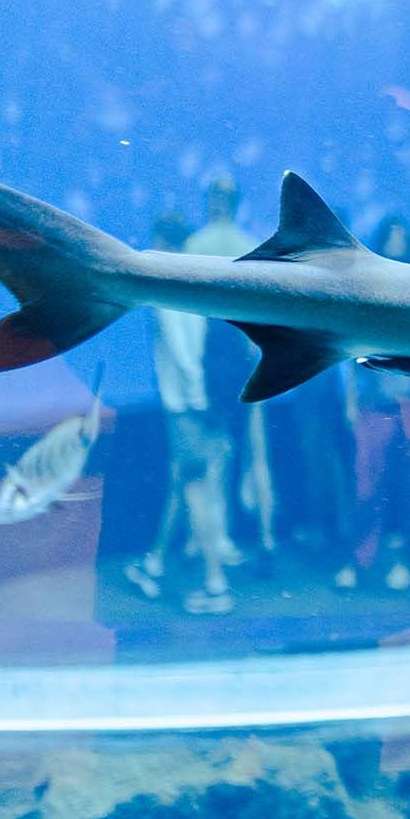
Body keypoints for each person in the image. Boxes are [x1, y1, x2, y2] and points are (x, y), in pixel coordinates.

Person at [129, 212, 240, 615]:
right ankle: (155, 563)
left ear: (162, 240)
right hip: (207, 401)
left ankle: (215, 584)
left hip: (188, 405)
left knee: (196, 488)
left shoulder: (168, 287)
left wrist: (197, 402)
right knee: (187, 479)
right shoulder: (197, 279)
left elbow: (183, 354)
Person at [340, 215, 410, 592]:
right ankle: (362, 560)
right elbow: (353, 349)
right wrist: (351, 401)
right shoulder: (365, 289)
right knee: (367, 486)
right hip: (377, 404)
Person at [183, 174, 278, 558]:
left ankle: (210, 539)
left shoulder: (194, 245)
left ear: (211, 201)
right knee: (258, 453)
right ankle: (267, 537)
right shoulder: (249, 246)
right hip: (248, 356)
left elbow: (189, 316)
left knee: (215, 453)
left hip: (213, 359)